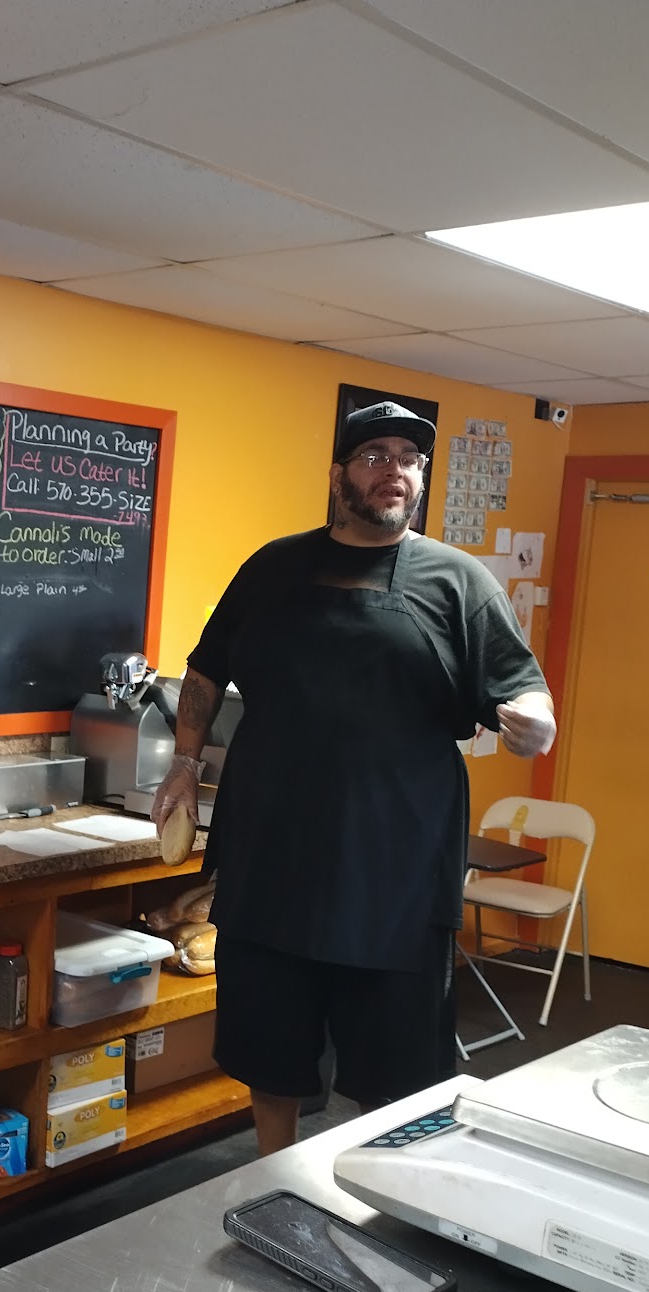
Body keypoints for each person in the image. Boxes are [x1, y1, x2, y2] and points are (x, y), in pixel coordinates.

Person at [151, 401, 556, 1155]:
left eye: (409, 458)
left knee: (394, 1067)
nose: (393, 470)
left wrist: (535, 721)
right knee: (269, 1051)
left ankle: (380, 1190)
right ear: (339, 475)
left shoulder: (460, 583)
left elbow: (524, 690)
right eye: (374, 456)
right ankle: (274, 1176)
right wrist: (183, 761)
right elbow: (206, 670)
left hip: (395, 872)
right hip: (271, 859)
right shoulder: (272, 568)